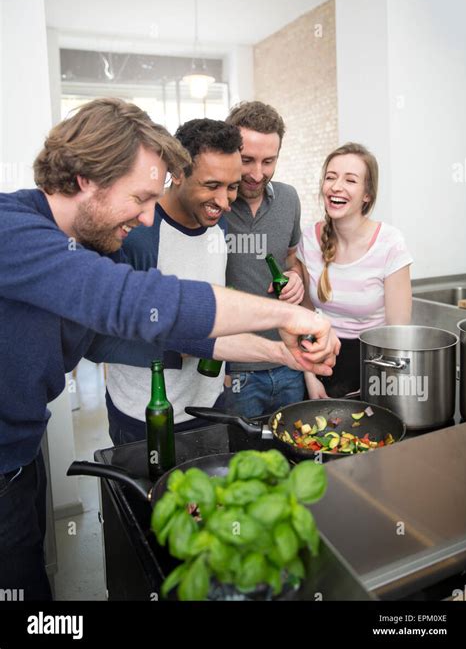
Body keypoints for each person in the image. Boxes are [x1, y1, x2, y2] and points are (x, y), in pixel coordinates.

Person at [0, 98, 339, 600]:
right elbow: (138, 302)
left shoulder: (82, 242)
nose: (144, 217)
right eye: (139, 197)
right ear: (86, 178)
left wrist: (282, 354)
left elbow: (176, 331)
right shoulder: (13, 230)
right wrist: (289, 314)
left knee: (32, 584)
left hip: (21, 455)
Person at [101, 118, 318, 443]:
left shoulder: (219, 226)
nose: (224, 201)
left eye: (232, 187)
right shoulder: (138, 234)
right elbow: (113, 334)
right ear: (178, 172)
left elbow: (215, 309)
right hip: (146, 414)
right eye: (211, 185)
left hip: (210, 407)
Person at [296, 142, 412, 399]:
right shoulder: (309, 240)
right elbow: (302, 317)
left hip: (375, 362)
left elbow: (398, 332)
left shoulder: (390, 243)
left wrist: (377, 381)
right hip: (321, 363)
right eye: (330, 177)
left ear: (367, 194)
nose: (336, 186)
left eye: (350, 180)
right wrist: (310, 377)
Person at [223, 101, 306, 418]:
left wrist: (296, 278)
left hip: (288, 360)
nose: (258, 174)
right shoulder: (213, 205)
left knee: (294, 456)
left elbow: (291, 261)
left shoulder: (289, 199)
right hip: (235, 371)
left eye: (268, 161)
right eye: (247, 160)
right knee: (244, 462)